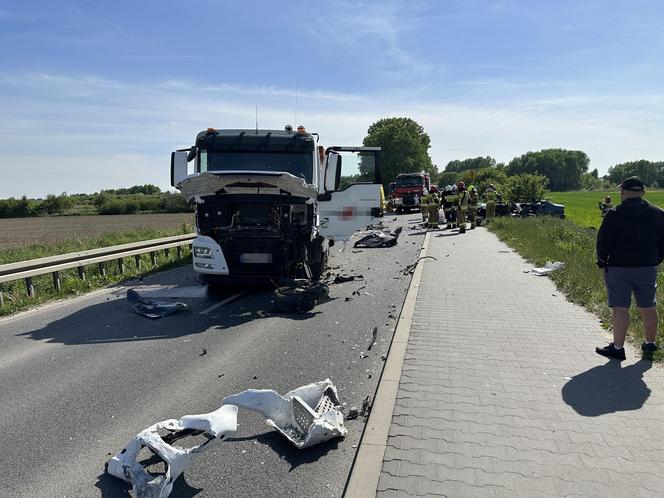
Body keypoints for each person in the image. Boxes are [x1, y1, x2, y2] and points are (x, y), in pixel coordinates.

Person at [595, 176, 664, 361]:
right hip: (647, 267)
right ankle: (649, 345)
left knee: (620, 308)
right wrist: (655, 260)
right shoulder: (658, 214)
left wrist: (602, 263)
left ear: (622, 192)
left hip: (619, 267)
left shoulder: (614, 213)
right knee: (648, 307)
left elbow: (602, 242)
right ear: (643, 192)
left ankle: (618, 348)